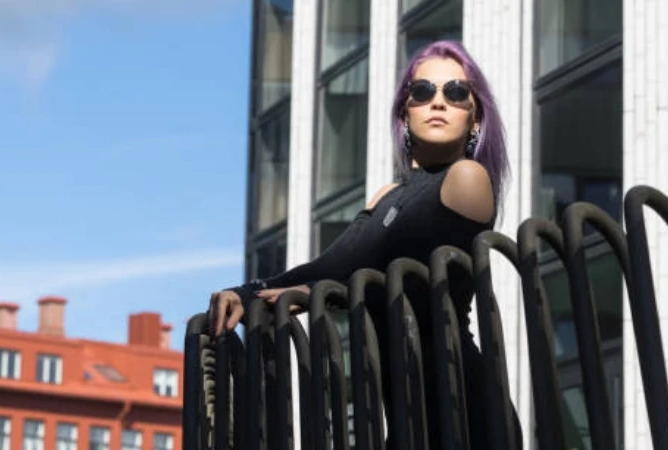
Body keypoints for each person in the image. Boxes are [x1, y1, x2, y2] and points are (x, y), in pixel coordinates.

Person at [208, 39, 523, 449]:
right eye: (423, 92)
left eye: (457, 93)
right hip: (408, 419)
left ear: (475, 118)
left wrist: (319, 294)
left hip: (463, 410)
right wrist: (247, 293)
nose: (439, 103)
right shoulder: (387, 196)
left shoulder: (467, 177)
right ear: (404, 113)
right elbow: (332, 265)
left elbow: (414, 282)